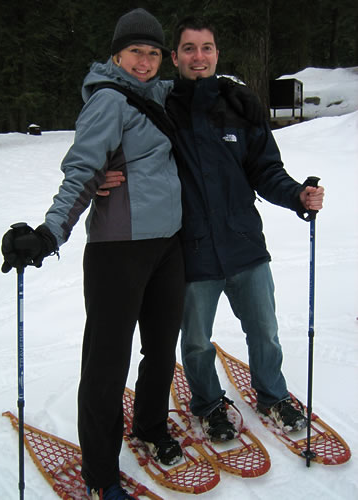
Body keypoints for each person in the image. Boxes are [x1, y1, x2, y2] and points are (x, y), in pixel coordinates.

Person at [99, 16, 325, 443]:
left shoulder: (238, 106)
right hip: (192, 249)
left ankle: (273, 396)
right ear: (175, 57)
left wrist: (297, 196)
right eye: (188, 48)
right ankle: (206, 404)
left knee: (264, 331)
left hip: (245, 245)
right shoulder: (161, 108)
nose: (198, 56)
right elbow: (123, 144)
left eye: (206, 48)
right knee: (197, 342)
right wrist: (98, 176)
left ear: (217, 53)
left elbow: (266, 168)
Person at [1, 9, 186, 500]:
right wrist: (49, 233)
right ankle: (101, 473)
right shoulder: (108, 100)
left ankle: (149, 427)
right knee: (106, 364)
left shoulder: (161, 97)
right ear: (116, 55)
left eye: (151, 53)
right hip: (118, 251)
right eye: (134, 52)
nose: (144, 62)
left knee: (161, 347)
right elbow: (81, 172)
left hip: (168, 245)